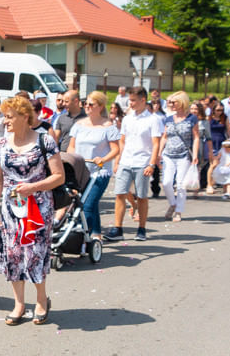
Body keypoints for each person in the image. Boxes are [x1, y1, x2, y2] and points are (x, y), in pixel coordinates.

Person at [0, 94, 64, 326]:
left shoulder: (45, 141)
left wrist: (33, 187)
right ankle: (19, 304)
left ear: (24, 116)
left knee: (35, 253)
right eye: (4, 116)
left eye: (9, 117)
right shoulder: (1, 144)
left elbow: (59, 176)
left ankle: (41, 300)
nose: (5, 121)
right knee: (13, 255)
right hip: (11, 209)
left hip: (38, 209)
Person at [103, 87, 163, 242]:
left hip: (143, 162)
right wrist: (118, 160)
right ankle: (118, 228)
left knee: (142, 196)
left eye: (133, 100)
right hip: (126, 160)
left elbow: (155, 143)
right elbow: (122, 141)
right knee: (120, 194)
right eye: (130, 100)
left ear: (143, 100)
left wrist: (151, 164)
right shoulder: (128, 118)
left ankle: (141, 228)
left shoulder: (153, 119)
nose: (130, 103)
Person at [67, 91, 120, 239]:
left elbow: (116, 149)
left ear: (101, 106)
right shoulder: (78, 125)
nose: (87, 107)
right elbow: (71, 146)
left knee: (88, 204)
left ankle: (86, 237)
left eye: (91, 104)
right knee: (90, 203)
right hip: (82, 170)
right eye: (86, 104)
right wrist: (74, 157)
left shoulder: (108, 126)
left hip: (99, 172)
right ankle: (96, 234)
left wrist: (103, 159)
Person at [159, 91, 200, 222]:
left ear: (181, 102)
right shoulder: (169, 118)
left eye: (173, 102)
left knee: (181, 184)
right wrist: (159, 152)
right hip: (168, 154)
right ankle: (173, 203)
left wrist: (195, 154)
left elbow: (196, 137)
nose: (170, 105)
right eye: (170, 102)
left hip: (183, 155)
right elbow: (164, 136)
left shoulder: (192, 119)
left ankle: (178, 211)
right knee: (166, 182)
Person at [206, 103, 230, 194]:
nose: (220, 112)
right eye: (218, 110)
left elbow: (228, 130)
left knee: (220, 164)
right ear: (213, 110)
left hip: (221, 142)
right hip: (211, 142)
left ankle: (213, 182)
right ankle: (209, 185)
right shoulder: (209, 118)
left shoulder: (225, 118)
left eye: (221, 110)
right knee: (213, 164)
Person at [191, 102, 214, 193]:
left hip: (199, 144)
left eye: (195, 109)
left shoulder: (204, 122)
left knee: (197, 166)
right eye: (192, 109)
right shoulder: (186, 119)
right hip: (187, 143)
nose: (193, 111)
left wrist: (210, 151)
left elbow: (208, 137)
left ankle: (196, 187)